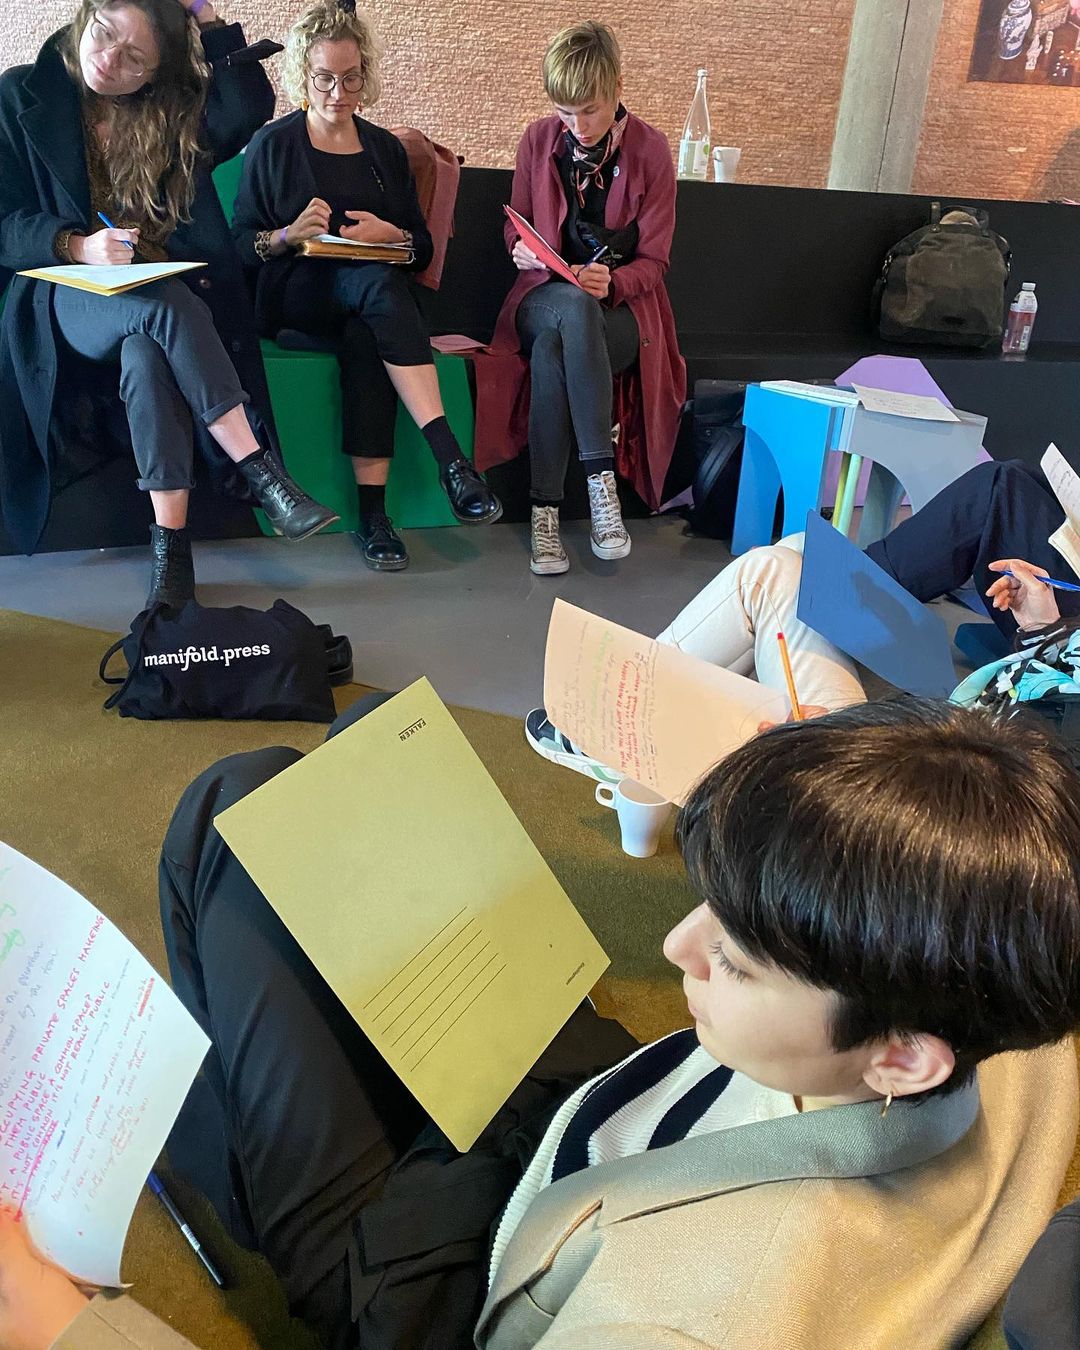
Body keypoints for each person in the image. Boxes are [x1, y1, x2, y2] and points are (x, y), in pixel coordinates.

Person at [29, 697, 1080, 1349]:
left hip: (439, 1280)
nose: (676, 946)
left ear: (901, 1057)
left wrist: (53, 1323)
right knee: (364, 758)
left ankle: (228, 1161)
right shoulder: (1011, 969)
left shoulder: (688, 1322)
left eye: (736, 958)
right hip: (609, 1121)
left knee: (234, 809)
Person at [0, 0, 340, 608]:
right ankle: (260, 470)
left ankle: (172, 555)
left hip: (151, 303)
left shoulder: (169, 115)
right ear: (86, 14)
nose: (110, 59)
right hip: (64, 294)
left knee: (146, 356)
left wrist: (205, 16)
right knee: (166, 304)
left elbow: (245, 108)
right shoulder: (19, 94)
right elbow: (4, 222)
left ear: (157, 72)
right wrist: (77, 245)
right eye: (104, 33)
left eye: (135, 57)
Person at [230, 1, 501, 573]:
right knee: (379, 290)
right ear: (304, 75)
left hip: (370, 307)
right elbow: (238, 246)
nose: (339, 92)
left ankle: (374, 518)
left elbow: (421, 248)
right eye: (325, 78)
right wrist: (286, 235)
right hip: (296, 296)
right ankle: (451, 459)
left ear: (366, 74)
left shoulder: (383, 150)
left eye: (351, 78)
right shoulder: (273, 145)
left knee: (367, 334)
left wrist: (392, 234)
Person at [476, 21, 685, 576]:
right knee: (569, 309)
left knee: (555, 348)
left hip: (618, 312)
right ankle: (600, 483)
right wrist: (520, 249)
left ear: (618, 87)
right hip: (540, 299)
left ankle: (544, 513)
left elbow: (655, 261)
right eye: (564, 113)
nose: (578, 126)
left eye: (589, 110)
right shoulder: (537, 140)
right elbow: (515, 225)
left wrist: (613, 282)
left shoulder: (651, 150)